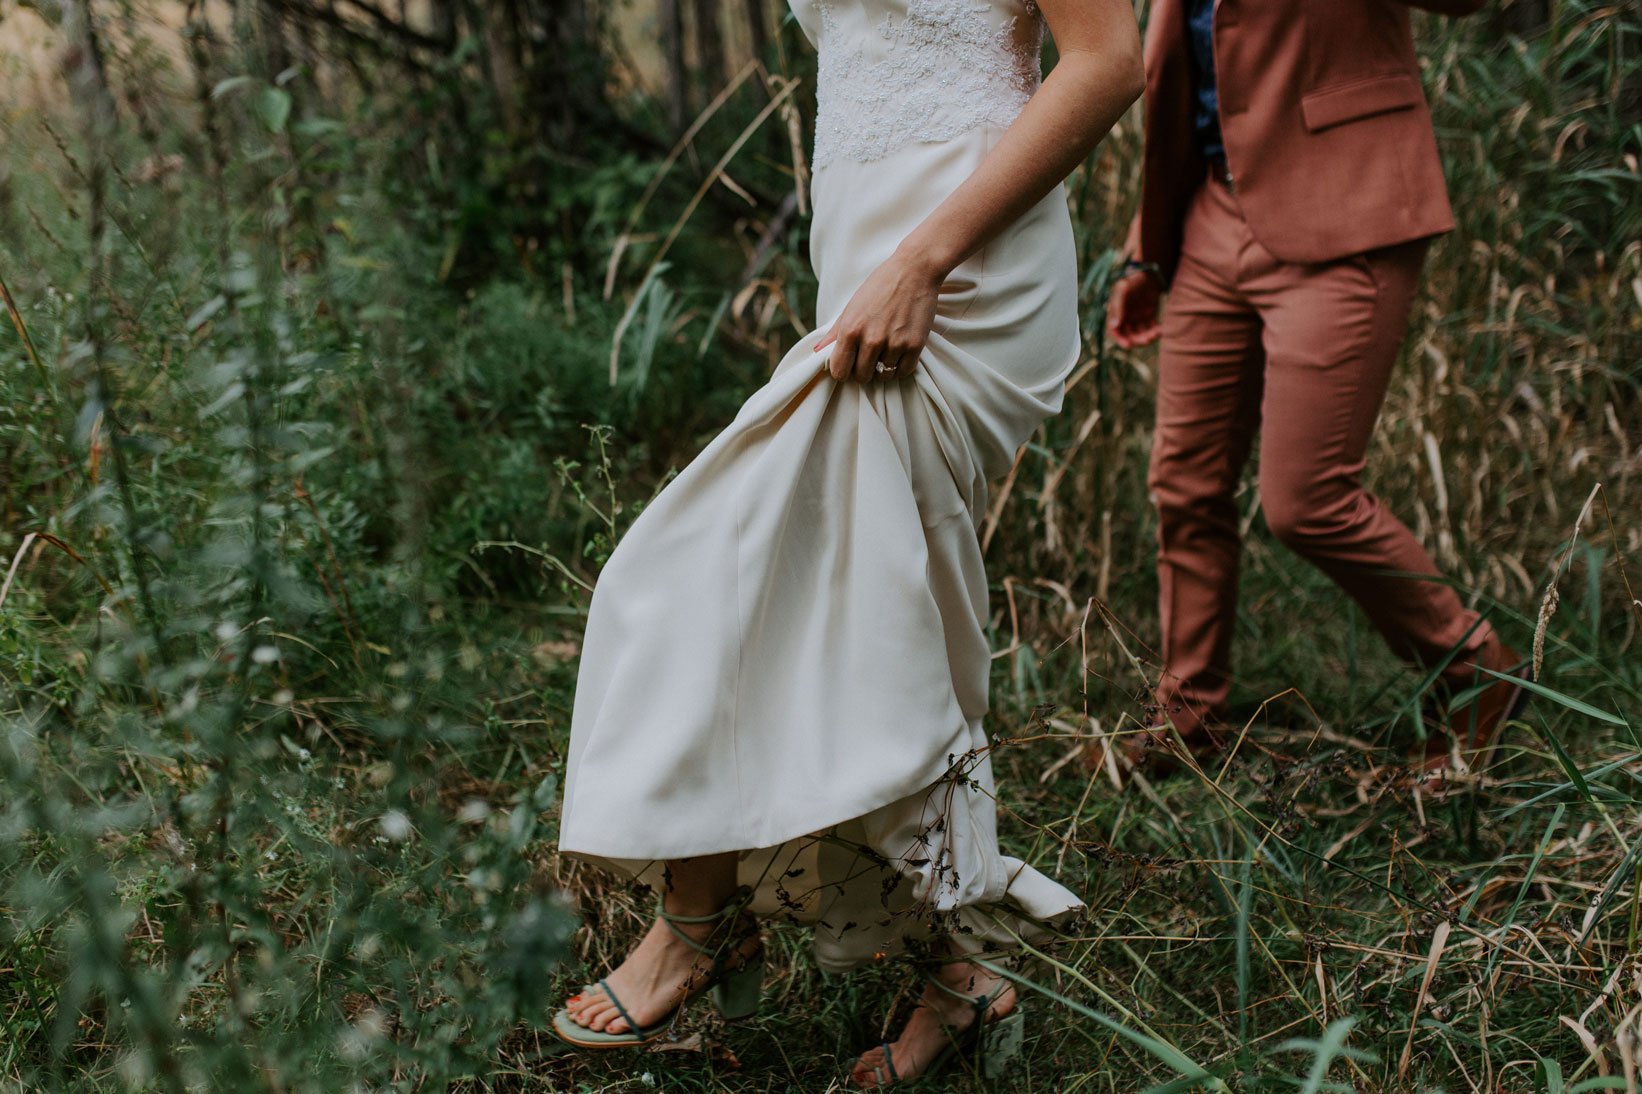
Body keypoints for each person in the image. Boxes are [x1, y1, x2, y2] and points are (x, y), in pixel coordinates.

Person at [550, 0, 1143, 1085]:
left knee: (691, 566)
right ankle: (961, 972)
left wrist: (925, 258)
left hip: (963, 264)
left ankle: (698, 913)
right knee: (866, 611)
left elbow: (1107, 63)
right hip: (862, 261)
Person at [1095, 0, 1530, 779]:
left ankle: (1475, 668)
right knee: (1184, 482)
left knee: (1307, 501)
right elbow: (1174, 85)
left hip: (1346, 211)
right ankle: (1187, 716)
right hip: (1210, 220)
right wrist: (1144, 253)